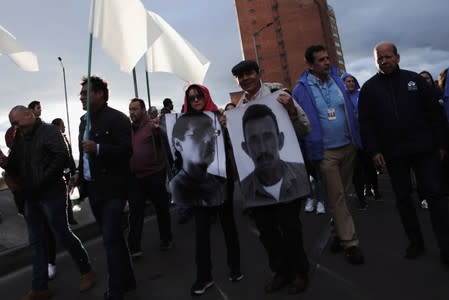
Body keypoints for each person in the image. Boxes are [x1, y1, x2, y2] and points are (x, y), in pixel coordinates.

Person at [358, 41, 449, 265]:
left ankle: (446, 246)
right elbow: (366, 123)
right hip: (394, 153)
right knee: (403, 198)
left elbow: (435, 114)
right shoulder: (369, 88)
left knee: (436, 196)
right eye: (380, 58)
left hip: (424, 149)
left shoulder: (415, 80)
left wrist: (441, 144)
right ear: (375, 61)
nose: (384, 61)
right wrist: (374, 151)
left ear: (397, 58)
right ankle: (415, 242)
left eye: (388, 57)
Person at [231, 60, 311, 295]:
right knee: (267, 233)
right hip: (257, 189)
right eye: (240, 76)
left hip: (288, 183)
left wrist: (292, 111)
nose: (245, 79)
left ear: (258, 74)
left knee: (290, 229)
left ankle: (300, 273)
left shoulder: (279, 95)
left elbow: (305, 129)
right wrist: (228, 126)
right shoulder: (238, 109)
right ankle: (280, 272)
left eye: (249, 73)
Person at [0, 106, 95, 300]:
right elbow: (15, 164)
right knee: (36, 241)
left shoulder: (50, 131)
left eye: (16, 122)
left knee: (62, 234)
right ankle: (39, 287)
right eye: (12, 124)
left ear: (29, 115)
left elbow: (62, 158)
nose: (14, 127)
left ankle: (87, 271)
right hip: (31, 196)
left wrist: (40, 181)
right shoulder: (19, 136)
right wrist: (3, 160)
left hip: (51, 193)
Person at [292, 45, 365, 265]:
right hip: (325, 153)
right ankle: (350, 243)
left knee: (343, 194)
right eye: (321, 60)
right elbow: (299, 123)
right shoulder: (301, 90)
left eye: (327, 58)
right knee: (337, 197)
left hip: (348, 147)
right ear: (310, 65)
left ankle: (337, 233)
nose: (327, 62)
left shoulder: (338, 81)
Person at [172, 84, 242, 296]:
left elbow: (234, 142)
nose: (195, 100)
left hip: (221, 179)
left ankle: (235, 267)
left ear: (206, 96)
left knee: (227, 222)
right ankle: (204, 276)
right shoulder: (182, 123)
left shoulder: (218, 116)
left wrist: (226, 126)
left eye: (199, 96)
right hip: (198, 184)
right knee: (201, 230)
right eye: (191, 97)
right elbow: (177, 153)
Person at [69, 76, 136, 300]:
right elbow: (84, 156)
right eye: (81, 94)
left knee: (109, 239)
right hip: (94, 189)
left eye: (86, 93)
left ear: (100, 94)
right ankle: (128, 280)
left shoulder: (117, 119)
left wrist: (98, 148)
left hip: (114, 189)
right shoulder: (83, 121)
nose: (81, 97)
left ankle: (115, 290)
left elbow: (126, 151)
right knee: (114, 238)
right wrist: (79, 174)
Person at [128, 98, 173, 258]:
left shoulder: (152, 127)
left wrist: (159, 127)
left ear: (143, 110)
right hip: (136, 178)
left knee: (161, 208)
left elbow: (168, 137)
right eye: (130, 109)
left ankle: (166, 238)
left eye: (135, 109)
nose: (132, 112)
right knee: (135, 212)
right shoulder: (129, 130)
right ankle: (134, 247)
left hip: (154, 174)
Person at [240, 104, 310, 206]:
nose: (263, 149)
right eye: (254, 140)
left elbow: (305, 128)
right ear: (246, 149)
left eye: (268, 137)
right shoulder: (245, 189)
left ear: (280, 140)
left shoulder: (302, 176)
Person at [342, 72, 380, 210]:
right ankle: (361, 199)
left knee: (369, 167)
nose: (350, 83)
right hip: (350, 140)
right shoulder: (341, 98)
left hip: (364, 137)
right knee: (356, 171)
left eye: (352, 81)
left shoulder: (361, 95)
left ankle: (374, 188)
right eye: (347, 81)